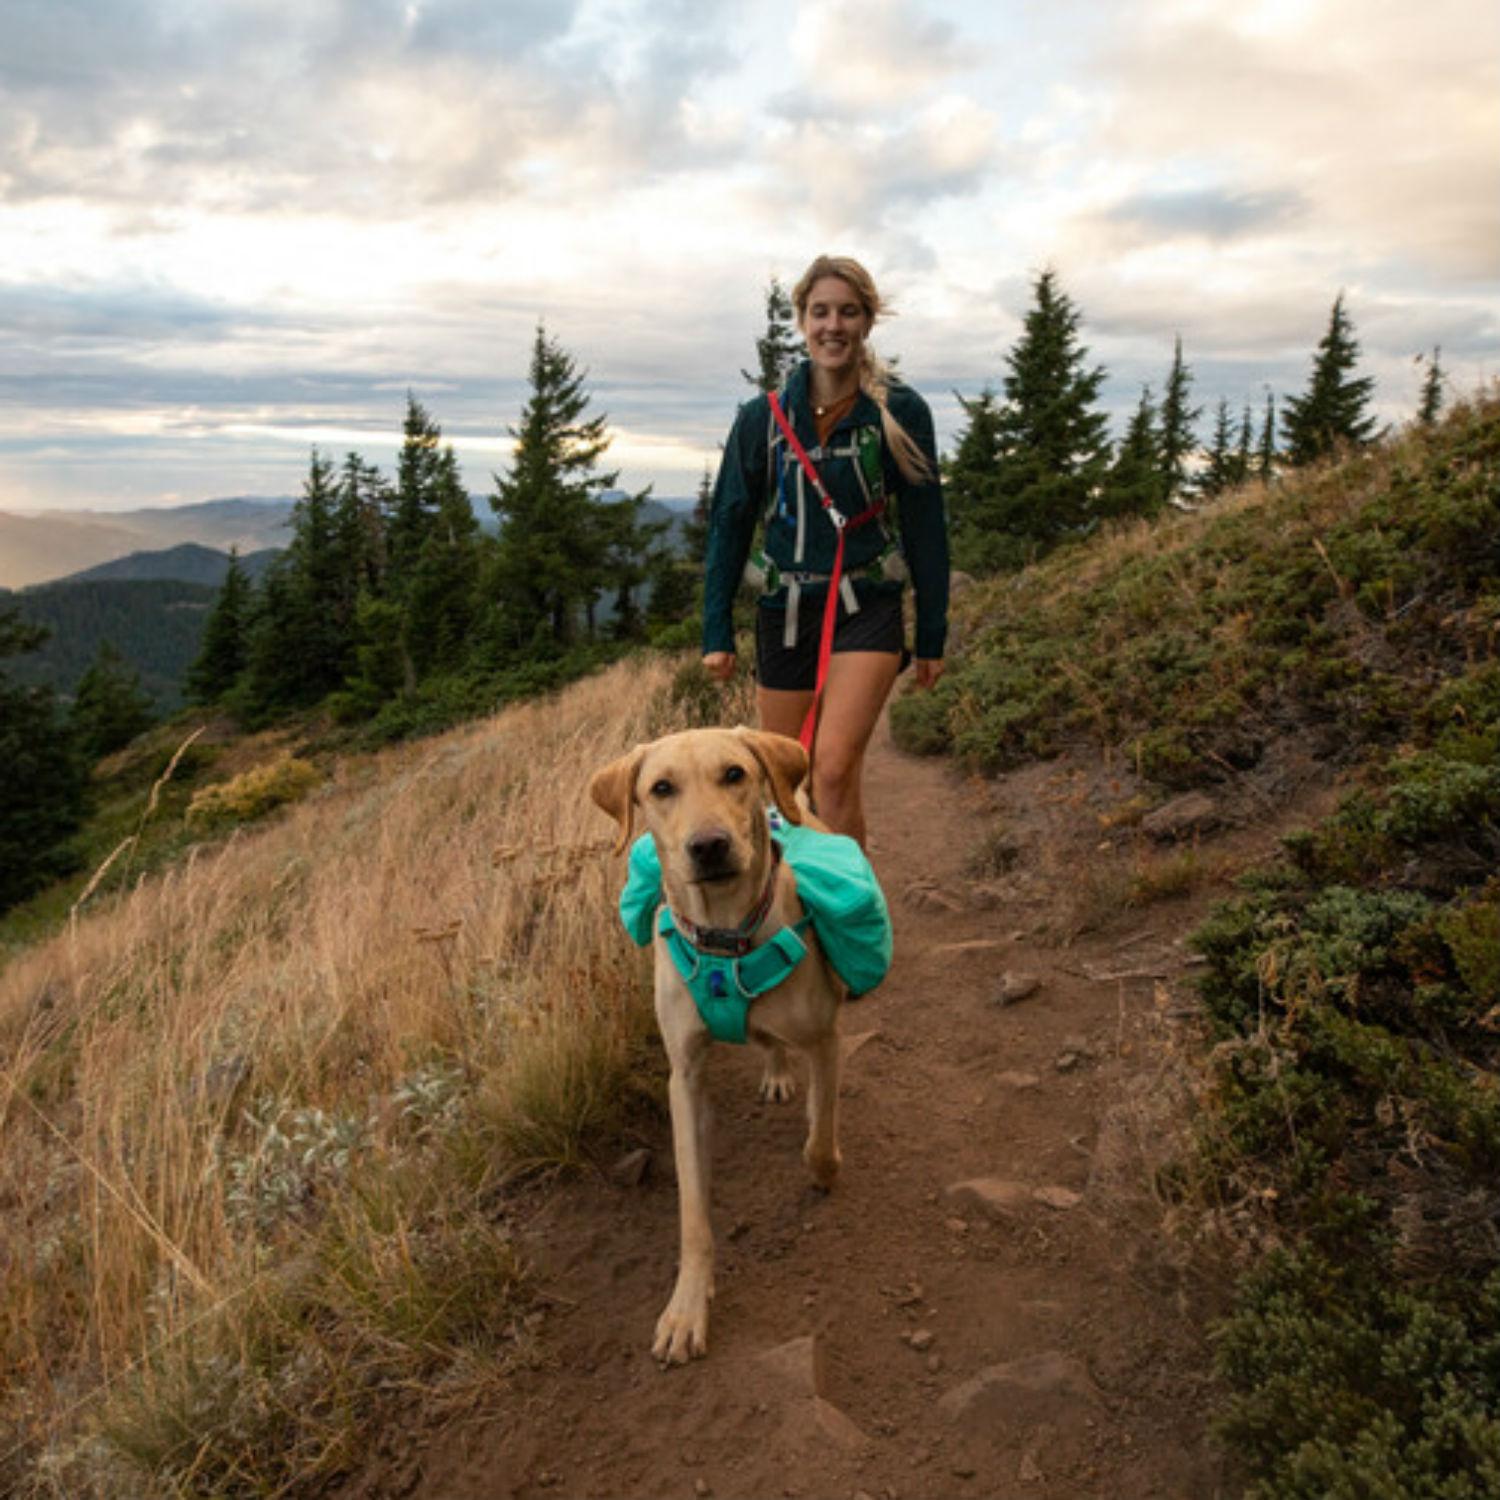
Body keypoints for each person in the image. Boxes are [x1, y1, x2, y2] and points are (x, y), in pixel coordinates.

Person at [701, 254, 949, 848]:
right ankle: (794, 917)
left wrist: (933, 634)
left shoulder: (899, 411)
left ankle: (849, 929)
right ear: (802, 321)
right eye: (820, 313)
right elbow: (731, 520)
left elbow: (925, 527)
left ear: (867, 321)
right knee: (786, 783)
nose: (833, 326)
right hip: (784, 613)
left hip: (868, 606)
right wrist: (715, 630)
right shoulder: (762, 419)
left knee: (833, 772)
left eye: (848, 312)